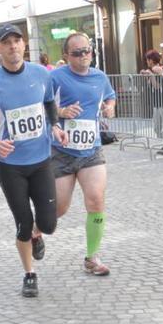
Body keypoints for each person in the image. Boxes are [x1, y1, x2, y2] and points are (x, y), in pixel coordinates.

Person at [0, 24, 67, 298]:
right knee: (23, 223)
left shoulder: (40, 74)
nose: (13, 46)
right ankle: (29, 274)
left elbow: (48, 103)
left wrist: (55, 125)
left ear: (24, 45)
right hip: (11, 167)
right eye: (6, 42)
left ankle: (38, 234)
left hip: (41, 161)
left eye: (17, 41)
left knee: (48, 224)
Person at [49, 32, 116, 276]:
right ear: (66, 55)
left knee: (96, 199)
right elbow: (42, 104)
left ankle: (92, 256)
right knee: (59, 209)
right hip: (61, 151)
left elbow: (110, 97)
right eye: (77, 53)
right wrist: (61, 112)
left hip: (91, 150)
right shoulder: (55, 77)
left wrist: (110, 108)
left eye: (87, 50)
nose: (83, 55)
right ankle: (35, 232)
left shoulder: (99, 76)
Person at [140, 49, 163, 155]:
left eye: (148, 59)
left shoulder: (160, 69)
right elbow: (152, 85)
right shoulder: (152, 70)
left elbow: (158, 87)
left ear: (152, 60)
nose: (147, 62)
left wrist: (151, 76)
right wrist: (147, 76)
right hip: (156, 103)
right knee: (157, 127)